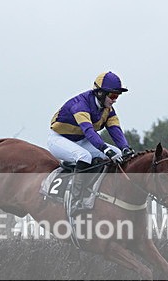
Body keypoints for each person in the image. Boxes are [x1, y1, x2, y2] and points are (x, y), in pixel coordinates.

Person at [48, 71, 136, 212]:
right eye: (113, 95)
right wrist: (104, 149)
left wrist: (125, 147)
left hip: (81, 140)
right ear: (100, 93)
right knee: (85, 156)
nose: (115, 99)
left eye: (117, 96)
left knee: (118, 153)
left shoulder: (108, 109)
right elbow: (89, 131)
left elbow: (115, 130)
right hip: (59, 139)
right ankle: (75, 200)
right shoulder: (80, 105)